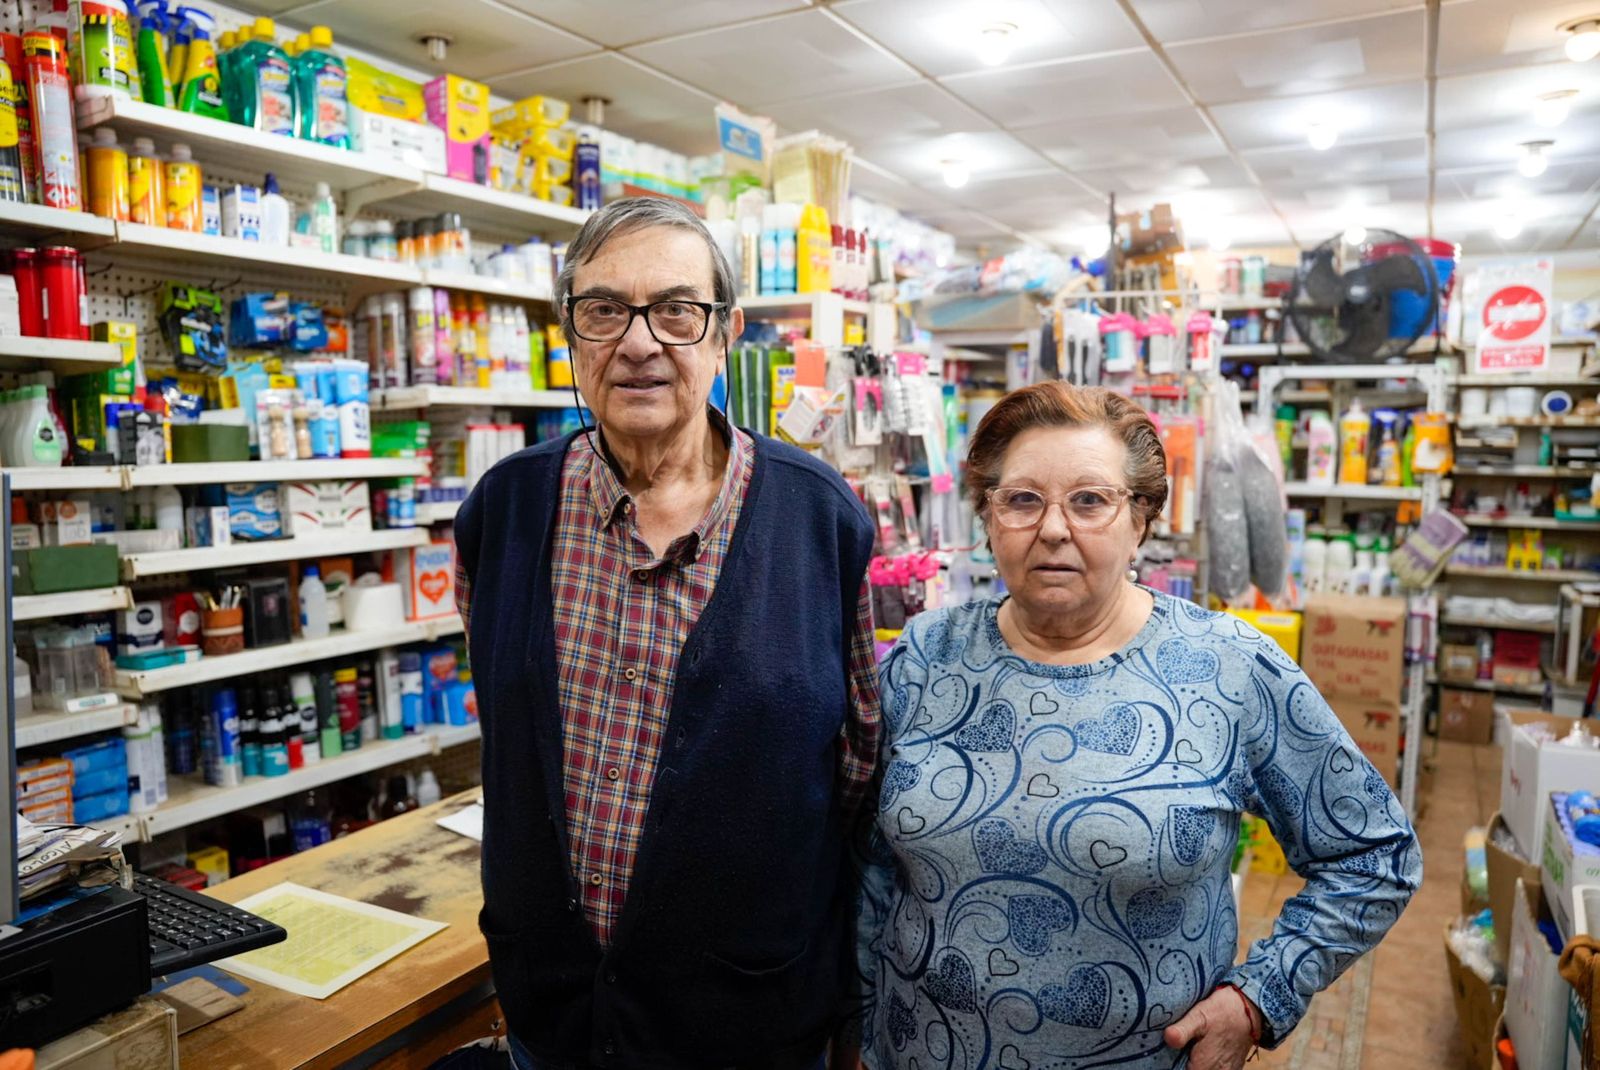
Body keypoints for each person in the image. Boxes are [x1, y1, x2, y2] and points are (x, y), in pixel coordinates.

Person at [852, 382, 1422, 1070]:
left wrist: (1257, 998)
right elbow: (869, 869)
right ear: (989, 517)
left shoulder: (1227, 667)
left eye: (1090, 500)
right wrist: (855, 1033)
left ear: (1141, 521)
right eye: (1022, 500)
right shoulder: (925, 656)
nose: (1053, 529)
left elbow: (1375, 855)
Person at [453, 197, 880, 1068]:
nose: (639, 343)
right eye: (604, 309)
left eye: (677, 311)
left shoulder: (817, 517)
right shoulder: (506, 507)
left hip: (752, 1024)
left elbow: (858, 765)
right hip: (555, 1019)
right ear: (570, 332)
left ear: (726, 335)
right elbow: (509, 723)